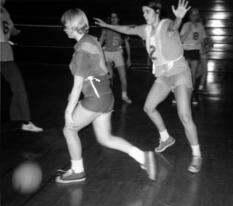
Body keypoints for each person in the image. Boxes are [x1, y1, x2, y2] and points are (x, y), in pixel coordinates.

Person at [94, 0, 202, 173]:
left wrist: (179, 18)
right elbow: (127, 30)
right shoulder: (145, 30)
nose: (144, 15)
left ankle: (197, 155)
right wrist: (107, 25)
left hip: (179, 72)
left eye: (147, 12)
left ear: (156, 12)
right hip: (163, 76)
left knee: (185, 116)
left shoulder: (166, 23)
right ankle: (165, 137)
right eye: (143, 12)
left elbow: (174, 27)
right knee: (148, 107)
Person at [56, 8, 156, 183]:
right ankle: (143, 157)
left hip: (95, 99)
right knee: (105, 138)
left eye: (65, 25)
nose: (63, 29)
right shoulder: (91, 41)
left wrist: (68, 112)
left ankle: (77, 171)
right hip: (106, 97)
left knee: (69, 129)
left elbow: (77, 85)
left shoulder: (82, 51)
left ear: (72, 26)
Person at [0, 0, 43, 132]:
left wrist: (25, 32)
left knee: (19, 88)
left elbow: (11, 30)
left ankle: (24, 121)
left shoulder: (4, 11)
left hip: (6, 52)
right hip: (3, 50)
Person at [99, 12, 132, 104]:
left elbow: (127, 44)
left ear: (118, 19)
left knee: (123, 78)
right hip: (107, 53)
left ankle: (124, 96)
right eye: (112, 17)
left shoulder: (122, 29)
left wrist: (129, 58)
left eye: (115, 17)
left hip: (117, 53)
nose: (113, 19)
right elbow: (101, 41)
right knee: (109, 77)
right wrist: (96, 52)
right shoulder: (106, 28)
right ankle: (107, 98)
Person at [180, 8, 206, 104]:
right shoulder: (185, 25)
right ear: (190, 16)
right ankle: (180, 95)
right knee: (184, 75)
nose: (195, 17)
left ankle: (193, 95)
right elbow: (181, 39)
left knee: (193, 75)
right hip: (186, 51)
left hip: (195, 51)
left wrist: (203, 48)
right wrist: (189, 30)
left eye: (196, 14)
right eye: (193, 15)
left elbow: (203, 39)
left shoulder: (200, 26)